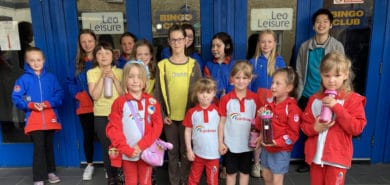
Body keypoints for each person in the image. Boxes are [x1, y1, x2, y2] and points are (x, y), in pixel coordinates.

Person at [301, 52, 366, 185]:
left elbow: (357, 128)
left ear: (345, 75)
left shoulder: (352, 100)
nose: (331, 80)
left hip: (337, 159)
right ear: (321, 75)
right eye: (327, 75)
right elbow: (304, 126)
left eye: (337, 75)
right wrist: (314, 128)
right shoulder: (314, 99)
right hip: (316, 158)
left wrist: (337, 107)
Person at [295, 8, 345, 173]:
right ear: (313, 26)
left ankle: (324, 158)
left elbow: (340, 70)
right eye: (318, 21)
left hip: (328, 95)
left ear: (330, 25)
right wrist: (299, 92)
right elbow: (299, 70)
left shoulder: (337, 46)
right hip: (308, 94)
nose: (321, 24)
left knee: (327, 125)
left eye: (325, 21)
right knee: (308, 127)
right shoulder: (305, 46)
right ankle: (308, 160)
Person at [154, 24, 202, 185]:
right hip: (170, 118)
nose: (176, 43)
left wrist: (195, 115)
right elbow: (158, 93)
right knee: (173, 152)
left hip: (188, 118)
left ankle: (186, 179)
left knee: (185, 151)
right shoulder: (163, 65)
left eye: (180, 39)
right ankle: (175, 181)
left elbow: (200, 92)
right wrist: (162, 115)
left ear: (186, 40)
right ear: (168, 41)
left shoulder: (193, 64)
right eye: (173, 40)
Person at [12, 47, 64, 185]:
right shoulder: (23, 79)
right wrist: (30, 105)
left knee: (48, 146)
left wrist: (48, 103)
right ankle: (38, 178)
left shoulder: (51, 78)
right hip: (34, 120)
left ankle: (50, 172)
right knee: (39, 147)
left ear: (44, 60)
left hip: (50, 118)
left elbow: (59, 94)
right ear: (27, 62)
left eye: (39, 60)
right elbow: (16, 98)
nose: (36, 63)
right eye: (32, 60)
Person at [106, 61, 163, 185]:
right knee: (130, 181)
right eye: (131, 77)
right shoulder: (119, 103)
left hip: (146, 152)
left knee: (145, 181)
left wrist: (141, 145)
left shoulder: (152, 101)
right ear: (125, 80)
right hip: (128, 153)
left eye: (139, 77)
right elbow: (113, 129)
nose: (135, 80)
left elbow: (157, 126)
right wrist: (126, 149)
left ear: (145, 81)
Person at [254, 67, 301, 185]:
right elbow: (262, 127)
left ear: (289, 88)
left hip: (281, 151)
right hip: (266, 148)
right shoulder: (269, 104)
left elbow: (293, 136)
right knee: (266, 176)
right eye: (273, 82)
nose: (273, 86)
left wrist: (277, 142)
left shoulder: (292, 109)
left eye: (278, 83)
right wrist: (260, 117)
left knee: (277, 181)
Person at [248, 29, 286, 177]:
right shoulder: (253, 61)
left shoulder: (279, 61)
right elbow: (249, 86)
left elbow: (283, 83)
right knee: (257, 133)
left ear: (275, 43)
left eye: (269, 41)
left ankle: (268, 163)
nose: (266, 44)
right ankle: (256, 163)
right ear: (258, 43)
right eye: (263, 41)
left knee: (269, 133)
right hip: (257, 104)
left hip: (272, 104)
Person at [87, 42, 123, 185]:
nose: (103, 56)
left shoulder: (120, 72)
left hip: (119, 115)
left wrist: (114, 78)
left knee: (120, 145)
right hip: (101, 115)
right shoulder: (92, 72)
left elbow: (124, 95)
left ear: (113, 56)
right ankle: (111, 176)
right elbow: (95, 96)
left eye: (107, 53)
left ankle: (121, 174)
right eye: (99, 53)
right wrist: (102, 76)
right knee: (107, 147)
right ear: (95, 56)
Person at [218, 60, 258, 185]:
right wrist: (220, 142)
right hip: (230, 145)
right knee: (230, 174)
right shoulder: (226, 99)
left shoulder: (255, 99)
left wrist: (259, 140)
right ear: (232, 79)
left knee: (245, 174)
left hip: (247, 145)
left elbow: (259, 123)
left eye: (245, 78)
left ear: (250, 79)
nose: (241, 81)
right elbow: (222, 123)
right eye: (237, 77)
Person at [67, 29, 97, 180]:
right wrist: (78, 95)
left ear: (95, 41)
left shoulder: (103, 57)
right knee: (88, 135)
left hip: (103, 104)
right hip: (85, 106)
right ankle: (90, 165)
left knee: (108, 135)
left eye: (90, 41)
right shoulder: (77, 62)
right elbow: (70, 82)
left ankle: (111, 164)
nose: (87, 44)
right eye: (83, 41)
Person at [183, 78, 220, 185]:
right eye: (201, 92)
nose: (205, 95)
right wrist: (189, 150)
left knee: (213, 181)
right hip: (197, 154)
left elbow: (222, 130)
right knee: (193, 180)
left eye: (208, 92)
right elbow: (187, 132)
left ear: (214, 93)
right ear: (196, 93)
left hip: (213, 155)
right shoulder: (192, 112)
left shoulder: (218, 111)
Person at [204, 32, 236, 101]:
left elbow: (235, 85)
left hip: (230, 102)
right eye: (213, 46)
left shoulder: (233, 65)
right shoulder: (208, 65)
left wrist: (226, 97)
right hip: (212, 103)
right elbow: (206, 86)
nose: (214, 49)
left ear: (227, 47)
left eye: (218, 46)